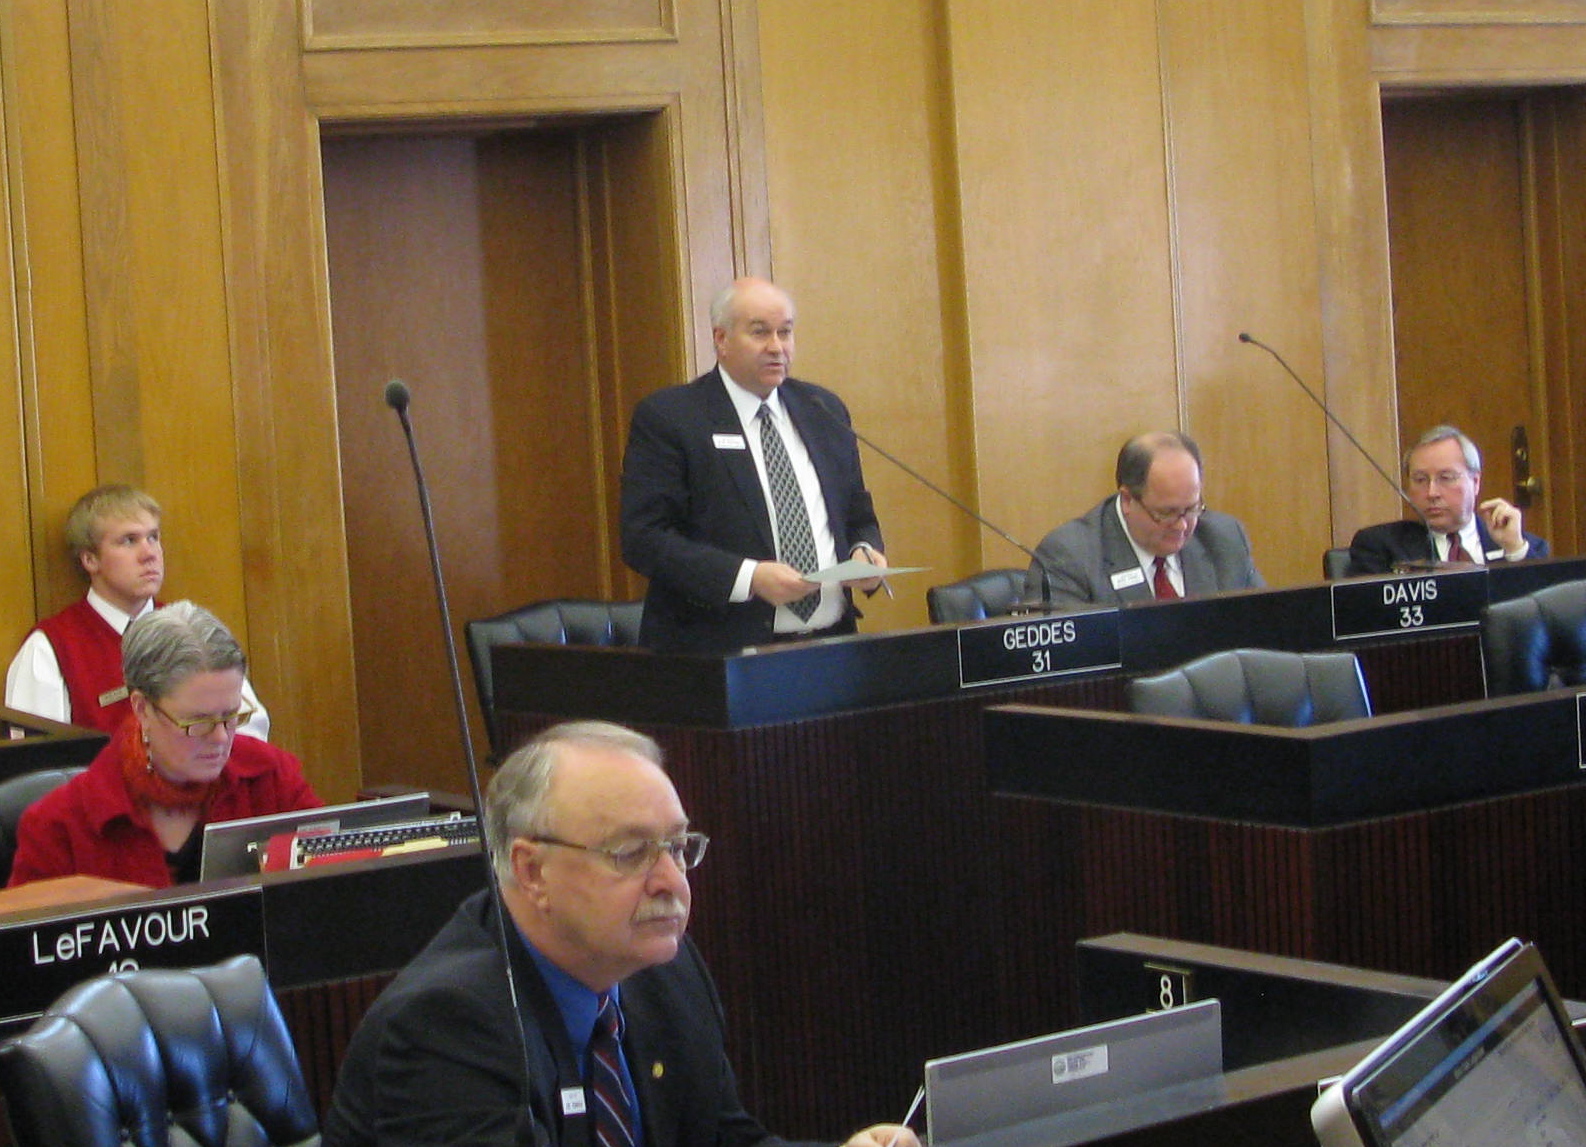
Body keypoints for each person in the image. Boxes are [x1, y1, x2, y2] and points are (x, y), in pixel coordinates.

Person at [323, 720, 917, 1147]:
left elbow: (721, 1136)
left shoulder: (662, 969)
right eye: (630, 853)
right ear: (532, 871)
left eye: (678, 848)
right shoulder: (448, 1024)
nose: (671, 883)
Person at [620, 278, 888, 653]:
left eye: (785, 332)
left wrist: (864, 550)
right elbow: (643, 538)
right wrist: (749, 577)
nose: (776, 347)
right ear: (721, 339)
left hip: (831, 644)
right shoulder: (672, 417)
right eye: (760, 332)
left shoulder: (823, 409)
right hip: (721, 652)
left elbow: (857, 514)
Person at [6, 601, 320, 889]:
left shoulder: (271, 777)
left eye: (230, 716)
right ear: (142, 708)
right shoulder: (61, 824)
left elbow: (329, 884)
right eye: (197, 722)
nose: (221, 738)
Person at [5, 484, 271, 738]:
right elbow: (37, 761)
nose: (149, 553)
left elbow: (249, 732)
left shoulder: (196, 633)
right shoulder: (51, 647)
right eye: (129, 540)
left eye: (153, 537)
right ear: (90, 559)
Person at [1024, 431, 1264, 611]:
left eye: (1191, 509)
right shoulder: (1069, 556)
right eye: (1167, 513)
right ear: (1128, 500)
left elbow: (1264, 628)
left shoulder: (1225, 538)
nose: (1182, 526)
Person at [1346, 424, 1549, 575]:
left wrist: (1515, 550)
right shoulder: (1380, 547)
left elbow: (1541, 609)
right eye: (1420, 480)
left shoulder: (1523, 547)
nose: (1432, 493)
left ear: (1475, 482)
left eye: (1446, 478)